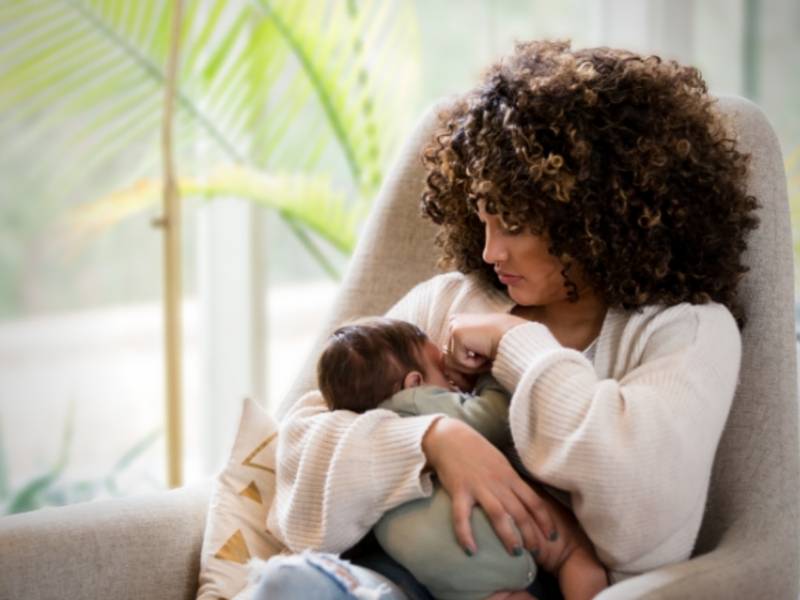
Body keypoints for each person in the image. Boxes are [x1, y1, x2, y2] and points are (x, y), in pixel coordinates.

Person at [253, 39, 759, 600]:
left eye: (514, 225)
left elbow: (642, 525)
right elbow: (299, 457)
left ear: (591, 216)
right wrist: (434, 439)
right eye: (484, 221)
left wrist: (519, 343)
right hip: (373, 579)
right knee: (289, 586)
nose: (491, 253)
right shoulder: (447, 301)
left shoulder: (686, 332)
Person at [312, 316, 607, 600]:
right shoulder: (415, 400)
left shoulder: (361, 428)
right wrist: (491, 372)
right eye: (442, 369)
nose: (454, 381)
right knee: (574, 555)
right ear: (414, 382)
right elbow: (493, 418)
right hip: (479, 529)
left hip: (427, 558)